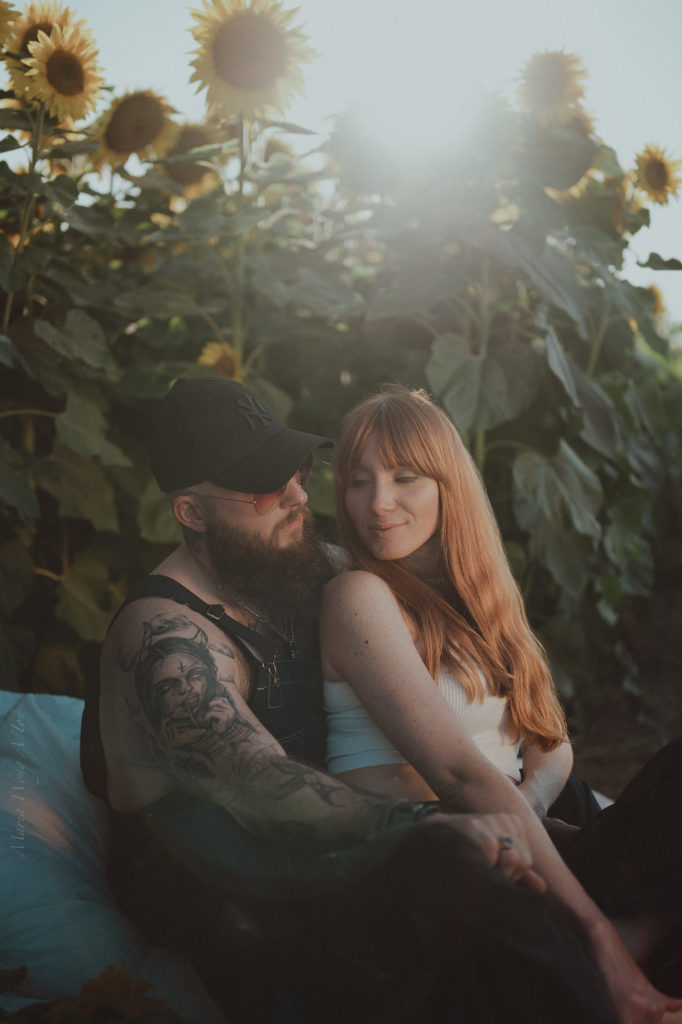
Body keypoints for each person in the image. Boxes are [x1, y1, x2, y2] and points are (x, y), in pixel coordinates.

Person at [80, 376, 659, 1024]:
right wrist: (434, 824)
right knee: (455, 874)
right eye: (267, 486)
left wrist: (522, 795)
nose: (300, 494)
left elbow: (463, 640)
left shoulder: (301, 563)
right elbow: (256, 782)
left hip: (340, 831)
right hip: (211, 861)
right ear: (192, 512)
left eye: (297, 470)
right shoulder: (163, 632)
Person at [321, 386, 682, 1021]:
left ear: (446, 484)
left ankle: (643, 934)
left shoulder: (475, 598)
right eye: (358, 481)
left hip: (521, 841)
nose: (378, 503)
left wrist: (531, 809)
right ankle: (623, 943)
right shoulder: (359, 596)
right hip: (446, 859)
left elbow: (547, 737)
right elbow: (458, 777)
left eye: (404, 477)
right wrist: (601, 939)